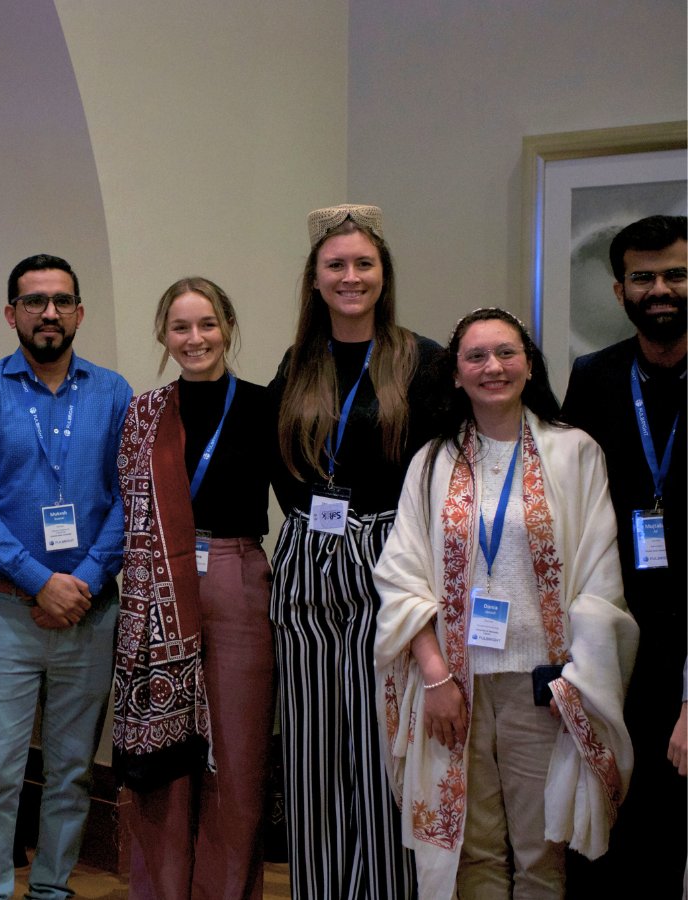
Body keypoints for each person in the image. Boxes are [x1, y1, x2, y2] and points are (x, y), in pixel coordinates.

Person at [373, 307, 638, 898]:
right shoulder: (432, 462)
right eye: (476, 357)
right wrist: (435, 674)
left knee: (540, 851)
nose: (493, 367)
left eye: (506, 353)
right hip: (454, 687)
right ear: (456, 374)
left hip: (541, 688)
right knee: (472, 850)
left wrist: (577, 678)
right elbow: (401, 575)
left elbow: (600, 573)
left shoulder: (575, 453)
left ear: (528, 364)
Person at [267, 204, 438, 898]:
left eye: (363, 263)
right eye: (335, 264)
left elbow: (435, 466)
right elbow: (282, 464)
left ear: (383, 274)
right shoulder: (297, 362)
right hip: (308, 561)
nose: (350, 276)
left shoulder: (420, 359)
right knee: (311, 750)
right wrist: (313, 527)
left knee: (379, 743)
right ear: (314, 279)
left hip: (388, 560)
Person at [0, 253, 131, 900]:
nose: (48, 312)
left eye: (60, 300)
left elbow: (126, 498)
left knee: (72, 770)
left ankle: (52, 888)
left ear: (79, 312)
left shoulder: (113, 393)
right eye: (33, 301)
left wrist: (80, 579)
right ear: (11, 313)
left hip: (89, 610)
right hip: (3, 613)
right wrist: (37, 580)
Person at [113, 277, 277, 898]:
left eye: (207, 324)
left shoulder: (265, 406)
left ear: (227, 327)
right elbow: (125, 508)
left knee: (236, 761)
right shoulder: (144, 414)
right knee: (165, 764)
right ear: (164, 336)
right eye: (181, 327)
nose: (195, 338)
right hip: (156, 589)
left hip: (237, 583)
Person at [562, 214, 687, 895]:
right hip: (612, 628)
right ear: (620, 291)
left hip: (685, 637)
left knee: (672, 829)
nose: (660, 289)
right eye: (643, 277)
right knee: (604, 817)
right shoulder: (594, 377)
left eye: (675, 274)